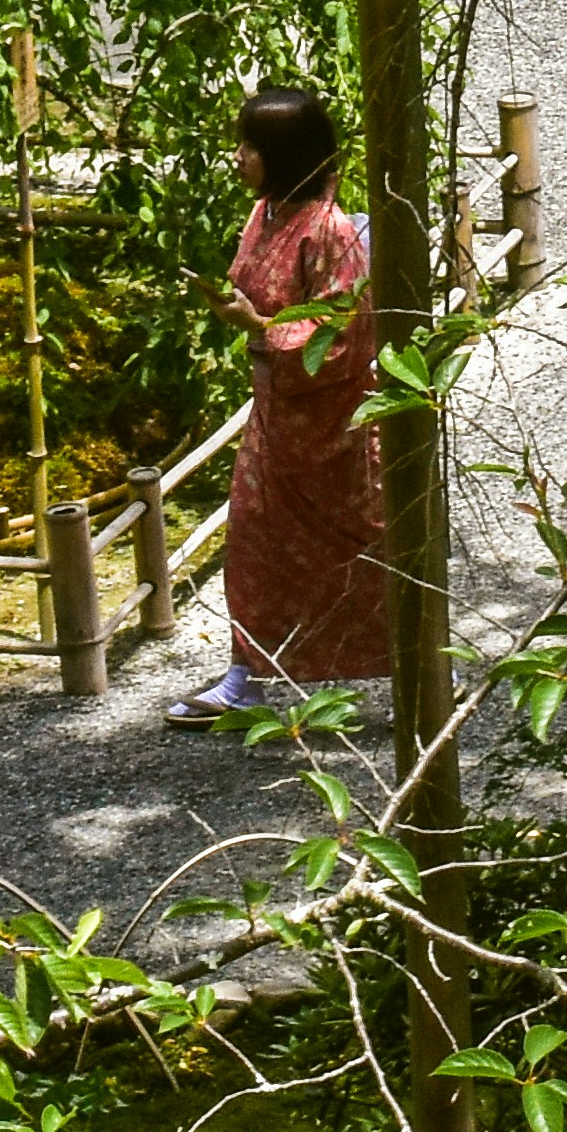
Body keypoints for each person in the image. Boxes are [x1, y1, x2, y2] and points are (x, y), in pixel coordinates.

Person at [178, 85, 392, 723]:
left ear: (286, 155)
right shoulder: (265, 213)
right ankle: (247, 673)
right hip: (276, 416)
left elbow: (341, 335)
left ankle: (410, 664)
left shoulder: (330, 233)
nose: (239, 157)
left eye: (252, 146)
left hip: (332, 426)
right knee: (253, 540)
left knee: (357, 554)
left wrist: (256, 328)